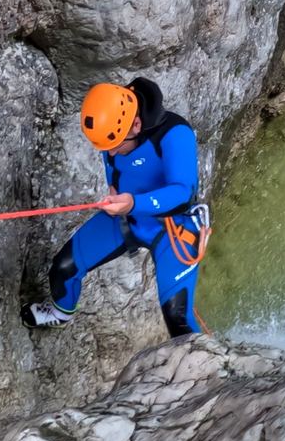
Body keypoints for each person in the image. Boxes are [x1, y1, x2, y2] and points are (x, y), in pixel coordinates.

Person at [22, 77, 208, 337]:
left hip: (173, 229)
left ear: (136, 125)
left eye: (115, 147)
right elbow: (114, 161)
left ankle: (207, 370)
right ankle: (60, 313)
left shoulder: (175, 135)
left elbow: (182, 193)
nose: (110, 154)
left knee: (178, 320)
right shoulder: (113, 130)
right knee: (63, 268)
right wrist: (114, 188)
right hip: (127, 217)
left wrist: (133, 202)